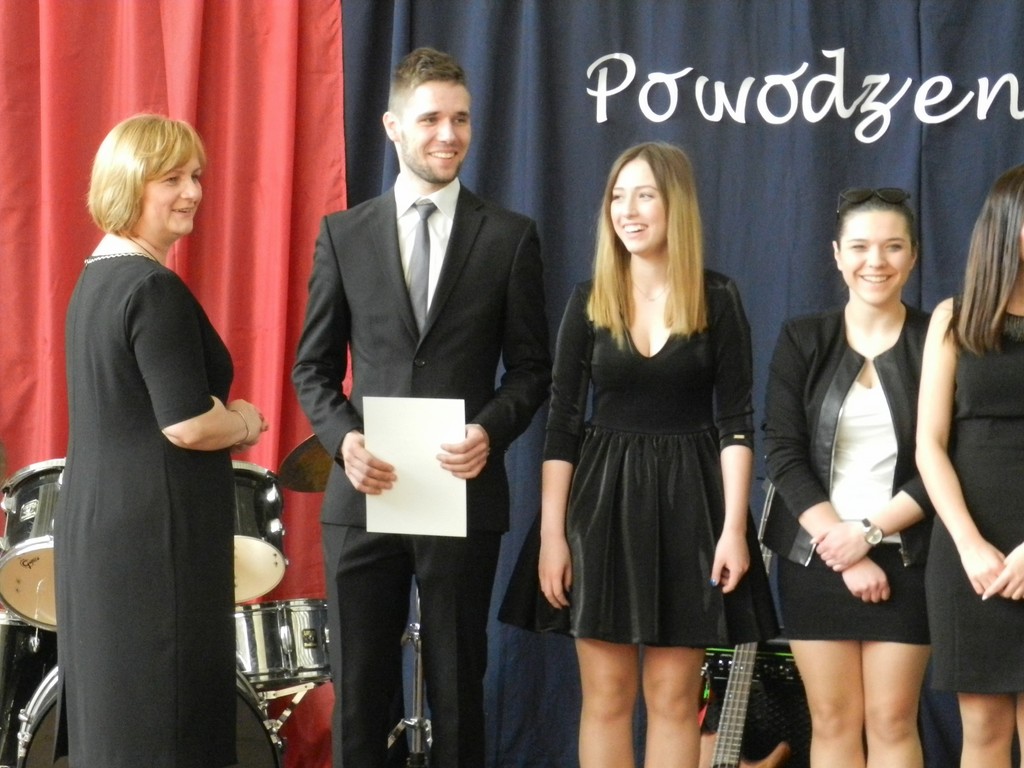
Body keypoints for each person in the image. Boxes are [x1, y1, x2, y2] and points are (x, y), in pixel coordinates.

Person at [291, 47, 551, 767]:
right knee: (359, 695)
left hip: (461, 494)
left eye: (461, 119)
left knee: (459, 691)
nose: (449, 134)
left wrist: (490, 431)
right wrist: (344, 441)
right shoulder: (344, 234)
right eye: (431, 118)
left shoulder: (510, 237)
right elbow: (312, 369)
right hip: (364, 497)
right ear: (393, 127)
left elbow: (533, 370)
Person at [527, 142, 776, 768]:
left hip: (692, 509)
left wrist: (733, 529)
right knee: (607, 697)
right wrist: (553, 535)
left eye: (644, 196)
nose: (628, 211)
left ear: (676, 206)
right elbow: (561, 427)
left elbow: (736, 423)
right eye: (618, 196)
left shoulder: (719, 297)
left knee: (673, 699)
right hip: (599, 511)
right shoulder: (589, 299)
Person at [54, 114, 268, 768]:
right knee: (166, 730)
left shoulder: (95, 279)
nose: (192, 192)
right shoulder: (151, 287)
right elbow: (187, 424)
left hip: (103, 537)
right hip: (155, 546)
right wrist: (245, 421)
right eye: (171, 178)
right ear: (129, 184)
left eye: (196, 175)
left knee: (119, 729)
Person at [761, 187, 933, 768]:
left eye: (892, 246)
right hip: (815, 555)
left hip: (909, 553)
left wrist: (870, 534)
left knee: (892, 720)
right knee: (832, 721)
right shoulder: (802, 338)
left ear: (913, 255)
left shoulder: (939, 339)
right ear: (837, 255)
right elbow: (782, 452)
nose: (875, 261)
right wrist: (842, 545)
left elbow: (947, 459)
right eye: (859, 246)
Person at [916, 164, 1024, 768]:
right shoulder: (954, 318)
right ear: (1007, 226)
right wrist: (968, 543)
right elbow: (929, 444)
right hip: (970, 550)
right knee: (981, 729)